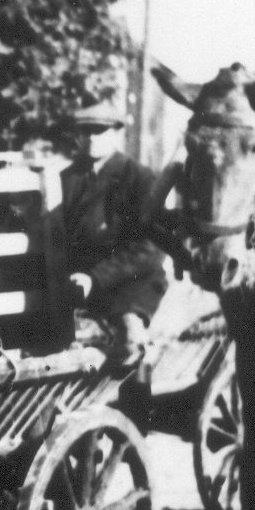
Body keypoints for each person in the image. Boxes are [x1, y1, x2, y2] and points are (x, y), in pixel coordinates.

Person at [60, 101, 169, 370]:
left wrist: (95, 278)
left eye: (99, 131)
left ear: (116, 133)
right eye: (85, 132)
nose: (91, 138)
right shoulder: (65, 179)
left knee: (132, 342)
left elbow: (149, 248)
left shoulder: (141, 179)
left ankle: (138, 404)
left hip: (129, 281)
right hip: (76, 277)